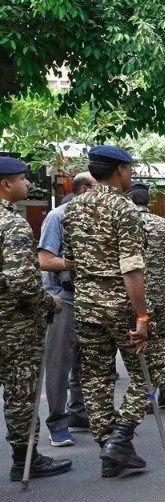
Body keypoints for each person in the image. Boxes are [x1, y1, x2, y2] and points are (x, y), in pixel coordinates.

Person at [62, 145, 151, 477]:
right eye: (130, 170)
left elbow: (70, 262)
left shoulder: (73, 208)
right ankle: (120, 437)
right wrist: (142, 316)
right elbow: (131, 269)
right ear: (120, 171)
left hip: (86, 305)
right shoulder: (125, 209)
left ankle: (110, 451)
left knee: (95, 377)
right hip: (120, 306)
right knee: (148, 374)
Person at [0, 157, 71, 481]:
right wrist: (48, 303)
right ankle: (25, 460)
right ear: (6, 185)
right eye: (22, 179)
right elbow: (21, 281)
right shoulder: (11, 224)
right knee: (21, 392)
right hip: (14, 325)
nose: (28, 184)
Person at [38, 171, 95, 447]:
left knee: (86, 362)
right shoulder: (57, 216)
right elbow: (45, 260)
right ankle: (57, 423)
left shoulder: (98, 217)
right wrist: (79, 263)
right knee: (59, 365)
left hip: (91, 300)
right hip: (63, 299)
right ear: (84, 190)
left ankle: (78, 412)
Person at [128, 182, 165, 407]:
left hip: (133, 295)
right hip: (159, 295)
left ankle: (145, 398)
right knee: (159, 340)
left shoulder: (125, 222)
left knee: (138, 345)